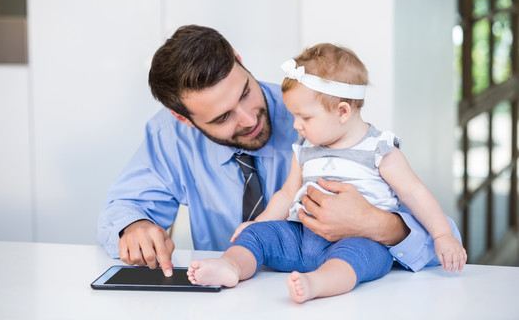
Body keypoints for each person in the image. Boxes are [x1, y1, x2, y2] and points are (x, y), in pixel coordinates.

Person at [96, 25, 462, 279]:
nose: (248, 118)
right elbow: (121, 209)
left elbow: (445, 238)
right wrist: (136, 226)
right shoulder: (169, 136)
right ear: (184, 118)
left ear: (239, 58)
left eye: (245, 93)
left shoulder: (317, 111)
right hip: (237, 299)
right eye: (223, 117)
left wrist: (377, 225)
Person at [186, 43, 467, 303]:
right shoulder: (305, 148)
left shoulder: (379, 150)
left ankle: (316, 284)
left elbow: (415, 192)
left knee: (356, 258)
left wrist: (442, 235)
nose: (296, 125)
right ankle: (231, 265)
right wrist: (258, 223)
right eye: (294, 116)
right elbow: (286, 195)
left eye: (305, 117)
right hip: (301, 236)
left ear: (343, 112)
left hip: (358, 241)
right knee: (258, 236)